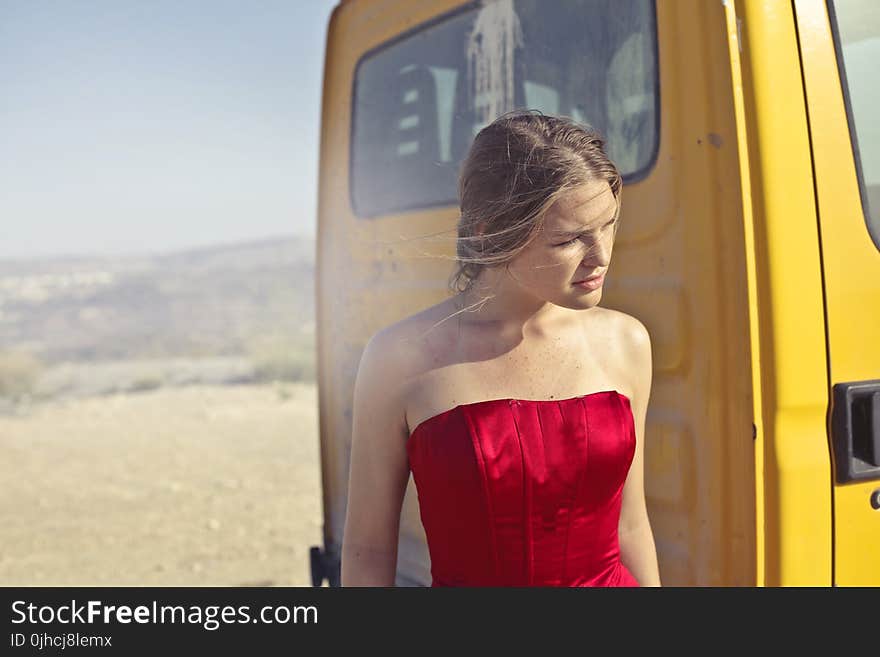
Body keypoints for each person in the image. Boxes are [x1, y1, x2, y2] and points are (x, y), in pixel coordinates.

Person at [341, 110, 661, 587]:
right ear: (491, 231)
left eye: (608, 224)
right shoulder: (399, 357)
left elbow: (631, 524)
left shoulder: (626, 342)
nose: (602, 256)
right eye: (570, 239)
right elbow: (368, 547)